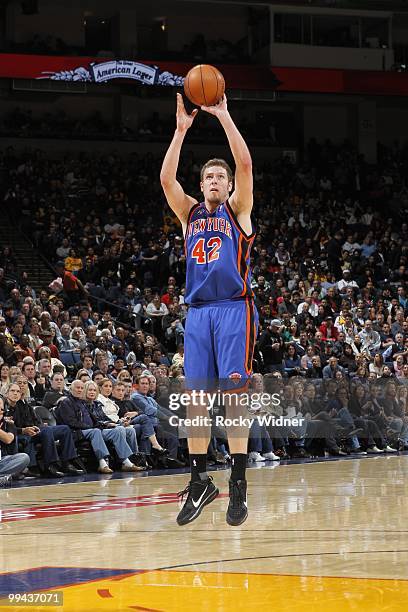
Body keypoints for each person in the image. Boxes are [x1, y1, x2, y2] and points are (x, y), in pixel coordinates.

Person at [160, 93, 257, 526]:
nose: (216, 179)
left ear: (229, 185)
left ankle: (238, 480)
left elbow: (247, 165)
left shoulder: (238, 212)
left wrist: (223, 115)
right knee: (196, 401)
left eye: (221, 175)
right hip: (198, 312)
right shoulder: (190, 214)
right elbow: (166, 182)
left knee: (234, 398)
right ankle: (201, 481)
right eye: (210, 176)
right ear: (201, 186)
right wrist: (181, 131)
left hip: (234, 309)